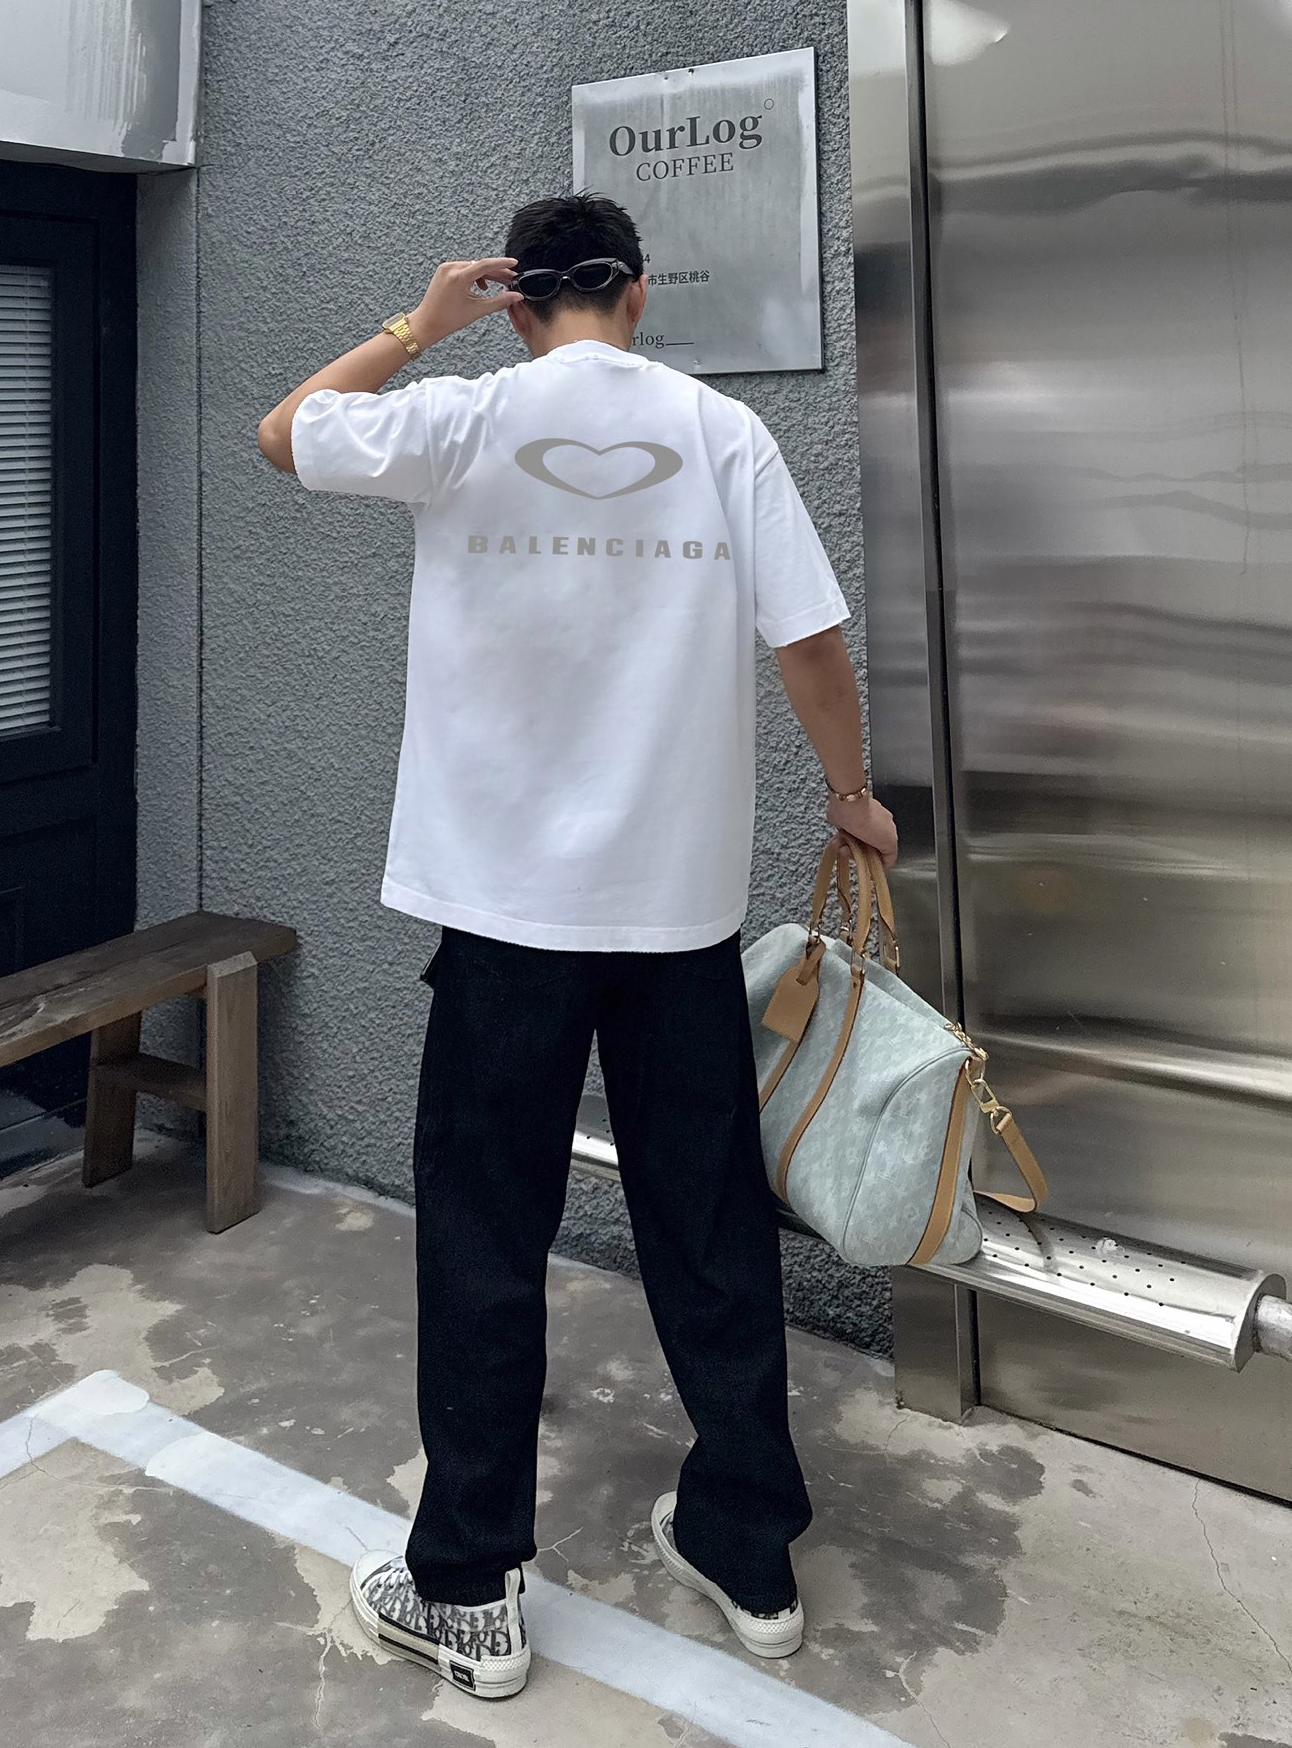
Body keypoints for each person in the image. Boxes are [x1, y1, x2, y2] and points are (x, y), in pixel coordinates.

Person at [256, 193, 898, 1702]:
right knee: (709, 1225)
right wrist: (851, 795)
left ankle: (467, 1590)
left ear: (518, 300)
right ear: (640, 292)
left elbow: (284, 433)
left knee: (485, 1235)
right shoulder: (721, 433)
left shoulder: (460, 417)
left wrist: (420, 324)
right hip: (677, 914)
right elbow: (810, 639)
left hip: (503, 920)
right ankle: (747, 1549)